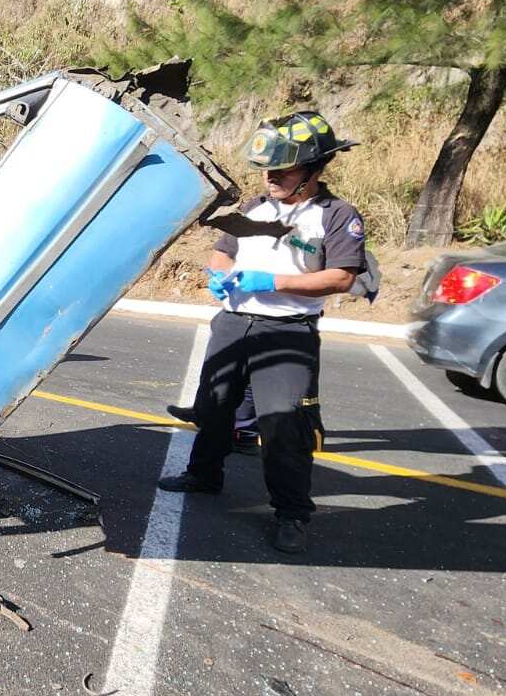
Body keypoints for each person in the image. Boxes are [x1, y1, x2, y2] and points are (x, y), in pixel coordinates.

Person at [156, 111, 366, 555]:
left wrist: (274, 282)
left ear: (312, 171)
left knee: (283, 424)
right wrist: (220, 275)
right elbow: (221, 253)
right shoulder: (254, 208)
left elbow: (342, 278)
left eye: (282, 171)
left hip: (288, 330)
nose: (271, 178)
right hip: (234, 322)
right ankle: (204, 475)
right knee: (212, 406)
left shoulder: (336, 216)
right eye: (268, 170)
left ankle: (292, 513)